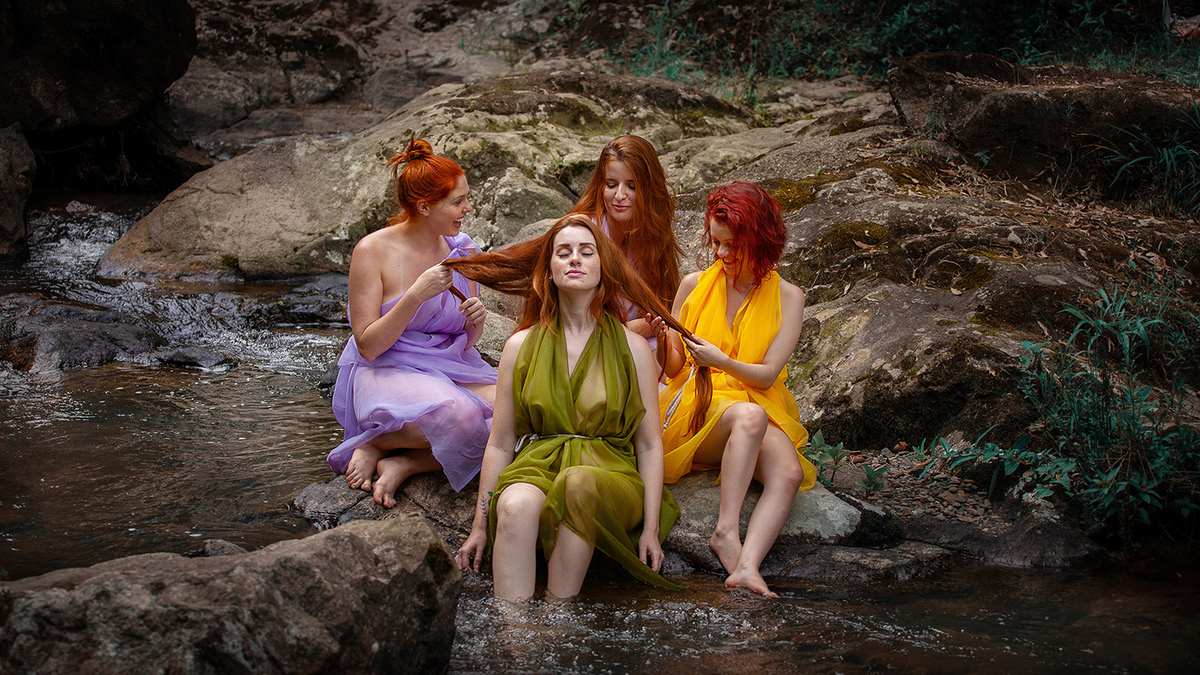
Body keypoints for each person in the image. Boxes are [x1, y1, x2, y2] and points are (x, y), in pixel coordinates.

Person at [450, 214, 687, 600]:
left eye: (586, 252)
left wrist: (650, 529)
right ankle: (514, 630)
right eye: (563, 253)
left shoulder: (633, 348)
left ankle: (558, 618)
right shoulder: (520, 346)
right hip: (539, 464)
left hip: (608, 472)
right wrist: (479, 526)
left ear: (603, 268)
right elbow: (501, 442)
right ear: (548, 272)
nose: (574, 258)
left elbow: (648, 444)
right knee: (514, 505)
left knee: (577, 484)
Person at [657, 181, 817, 599]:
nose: (721, 254)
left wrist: (722, 361)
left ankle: (747, 567)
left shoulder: (789, 297)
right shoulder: (693, 285)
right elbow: (673, 368)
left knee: (788, 472)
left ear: (761, 241)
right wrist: (661, 341)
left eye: (732, 245)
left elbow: (766, 375)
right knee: (749, 418)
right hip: (697, 408)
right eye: (716, 243)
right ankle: (725, 531)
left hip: (756, 403)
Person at [326, 137, 497, 508]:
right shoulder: (372, 251)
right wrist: (415, 296)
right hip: (388, 368)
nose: (468, 208)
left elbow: (466, 341)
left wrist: (476, 322)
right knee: (461, 416)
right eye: (458, 202)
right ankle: (377, 439)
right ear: (424, 206)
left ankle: (405, 461)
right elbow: (368, 347)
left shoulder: (463, 250)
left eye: (467, 198)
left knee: (516, 411)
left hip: (449, 364)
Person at [570, 135, 683, 369]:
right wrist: (633, 328)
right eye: (611, 185)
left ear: (649, 189)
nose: (620, 196)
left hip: (641, 344)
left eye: (632, 187)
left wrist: (637, 328)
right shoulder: (582, 232)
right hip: (587, 346)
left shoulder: (653, 235)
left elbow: (664, 314)